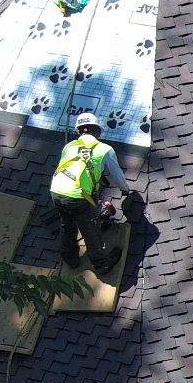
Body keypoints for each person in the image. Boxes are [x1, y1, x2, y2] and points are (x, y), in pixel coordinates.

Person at [50, 113, 123, 275]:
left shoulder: (68, 146)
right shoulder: (105, 149)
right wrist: (126, 190)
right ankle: (102, 263)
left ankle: (71, 258)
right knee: (90, 228)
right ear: (98, 131)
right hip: (77, 196)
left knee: (67, 224)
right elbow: (118, 177)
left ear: (79, 131)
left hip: (57, 191)